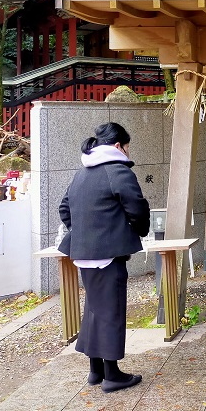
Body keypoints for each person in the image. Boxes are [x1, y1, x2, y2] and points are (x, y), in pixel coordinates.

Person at [58, 122, 151, 393]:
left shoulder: (82, 172)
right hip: (108, 254)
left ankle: (95, 370)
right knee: (110, 310)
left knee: (95, 310)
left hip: (84, 253)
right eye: (127, 145)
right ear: (118, 146)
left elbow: (65, 207)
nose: (128, 150)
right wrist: (138, 229)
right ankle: (112, 375)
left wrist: (84, 232)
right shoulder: (117, 170)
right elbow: (136, 206)